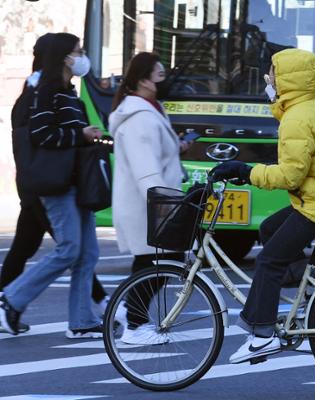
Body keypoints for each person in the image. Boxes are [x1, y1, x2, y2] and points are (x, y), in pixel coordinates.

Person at [212, 48, 315, 364]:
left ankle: (262, 334)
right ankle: (309, 292)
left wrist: (245, 171)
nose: (269, 79)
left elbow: (291, 174)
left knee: (268, 261)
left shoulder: (297, 117)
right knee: (269, 229)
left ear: (288, 80)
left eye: (273, 73)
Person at [0, 33, 110, 335]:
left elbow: (73, 134)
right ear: (64, 57)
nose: (82, 57)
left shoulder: (68, 92)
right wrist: (82, 135)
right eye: (78, 51)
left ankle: (82, 321)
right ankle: (10, 299)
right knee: (69, 249)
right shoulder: (45, 91)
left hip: (79, 182)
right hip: (57, 184)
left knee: (88, 254)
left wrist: (99, 139)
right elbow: (42, 135)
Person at [109, 52, 191, 345]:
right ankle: (134, 326)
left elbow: (154, 154)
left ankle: (127, 310)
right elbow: (145, 169)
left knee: (152, 262)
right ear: (143, 81)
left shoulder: (149, 110)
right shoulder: (139, 118)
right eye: (159, 76)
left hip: (152, 203)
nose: (164, 80)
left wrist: (175, 147)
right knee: (161, 261)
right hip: (148, 204)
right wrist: (166, 206)